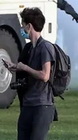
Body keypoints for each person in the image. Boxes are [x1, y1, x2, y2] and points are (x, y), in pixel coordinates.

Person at [5, 8, 56, 140]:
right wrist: (16, 67)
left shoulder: (45, 47)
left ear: (29, 26)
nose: (22, 28)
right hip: (28, 103)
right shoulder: (29, 48)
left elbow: (45, 76)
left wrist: (26, 68)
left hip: (41, 105)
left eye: (23, 24)